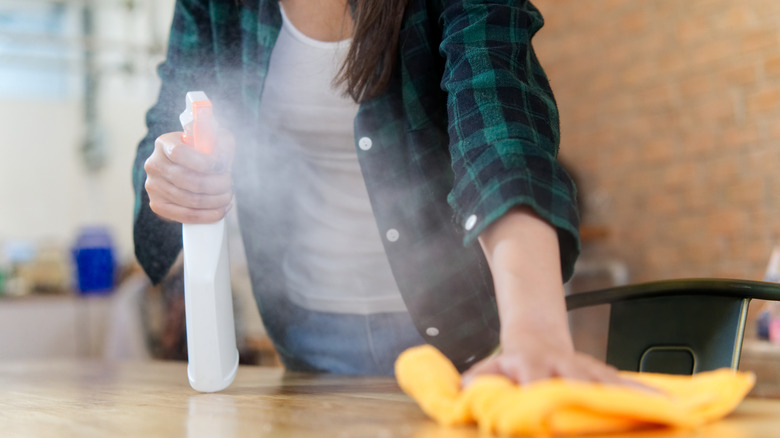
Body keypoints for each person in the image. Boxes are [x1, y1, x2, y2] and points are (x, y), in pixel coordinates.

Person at [133, 0, 623, 386]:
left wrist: (534, 331)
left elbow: (499, 130)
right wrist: (171, 172)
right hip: (305, 335)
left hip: (459, 332)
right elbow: (168, 121)